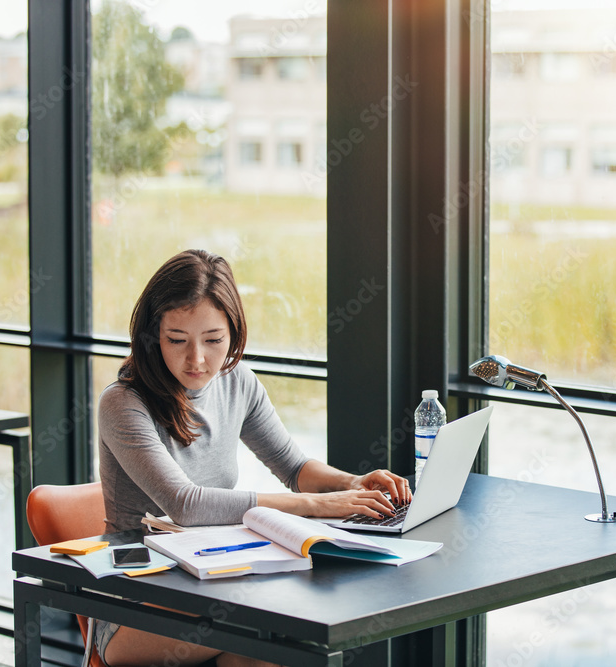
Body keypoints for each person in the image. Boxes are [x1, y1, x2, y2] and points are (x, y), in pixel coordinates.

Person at [95, 249, 412, 667]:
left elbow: (294, 468)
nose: (197, 359)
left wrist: (351, 483)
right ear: (153, 335)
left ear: (233, 332)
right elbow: (185, 505)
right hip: (137, 605)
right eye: (177, 340)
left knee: (278, 650)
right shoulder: (122, 403)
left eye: (213, 340)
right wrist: (317, 505)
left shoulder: (237, 382)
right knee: (287, 625)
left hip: (216, 579)